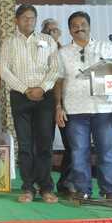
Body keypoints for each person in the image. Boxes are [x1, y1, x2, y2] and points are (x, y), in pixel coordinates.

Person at [55, 11, 112, 201]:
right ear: (70, 30)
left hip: (105, 108)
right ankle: (83, 190)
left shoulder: (106, 47)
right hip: (75, 110)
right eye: (75, 26)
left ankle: (109, 191)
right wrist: (58, 106)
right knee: (78, 152)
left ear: (89, 26)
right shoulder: (62, 53)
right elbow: (58, 81)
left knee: (107, 151)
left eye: (83, 24)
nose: (79, 28)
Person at [0, 5, 59, 203]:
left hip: (44, 96)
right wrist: (26, 89)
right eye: (25, 18)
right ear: (16, 20)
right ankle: (27, 187)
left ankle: (46, 187)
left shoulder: (47, 40)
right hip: (20, 96)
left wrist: (41, 88)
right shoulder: (9, 42)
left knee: (44, 143)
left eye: (32, 18)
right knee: (25, 144)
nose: (29, 21)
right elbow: (4, 70)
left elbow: (55, 68)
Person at [41, 18, 73, 196]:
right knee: (45, 144)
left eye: (55, 30)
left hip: (65, 102)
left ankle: (65, 182)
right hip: (45, 102)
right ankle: (44, 183)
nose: (53, 32)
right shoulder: (39, 50)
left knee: (71, 143)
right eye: (49, 30)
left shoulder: (66, 51)